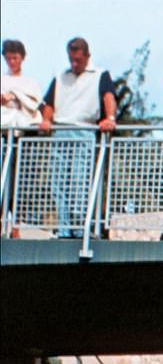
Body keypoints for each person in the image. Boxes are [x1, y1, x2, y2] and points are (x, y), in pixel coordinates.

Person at [39, 37, 117, 238]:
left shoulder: (99, 74)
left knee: (79, 179)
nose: (74, 64)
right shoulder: (60, 76)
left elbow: (108, 96)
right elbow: (49, 102)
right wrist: (46, 120)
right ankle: (64, 228)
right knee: (59, 181)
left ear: (87, 57)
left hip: (84, 129)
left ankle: (80, 226)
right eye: (71, 60)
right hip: (61, 130)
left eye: (78, 61)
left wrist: (110, 118)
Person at [2, 39, 42, 127]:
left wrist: (15, 95)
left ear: (22, 58)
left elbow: (35, 105)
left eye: (15, 58)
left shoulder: (32, 83)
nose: (12, 62)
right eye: (8, 59)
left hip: (25, 124)